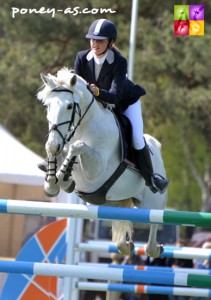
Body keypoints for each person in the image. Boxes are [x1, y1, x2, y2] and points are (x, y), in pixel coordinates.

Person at [74, 18, 169, 194]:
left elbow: (115, 97)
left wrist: (96, 93)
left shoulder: (119, 61)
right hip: (97, 104)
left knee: (137, 138)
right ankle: (54, 161)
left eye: (100, 40)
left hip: (125, 103)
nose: (95, 44)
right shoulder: (81, 57)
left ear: (110, 42)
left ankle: (151, 179)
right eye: (93, 39)